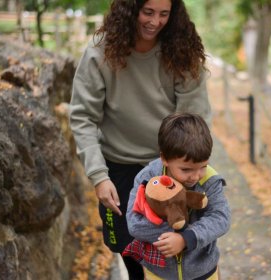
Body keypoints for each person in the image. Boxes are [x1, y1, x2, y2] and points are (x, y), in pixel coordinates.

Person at [69, 0, 211, 278]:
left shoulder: (181, 51)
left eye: (163, 14)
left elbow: (194, 120)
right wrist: (99, 176)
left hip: (169, 170)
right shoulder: (101, 51)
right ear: (130, 10)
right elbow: (83, 117)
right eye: (147, 12)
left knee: (175, 253)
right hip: (118, 169)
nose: (155, 21)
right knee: (128, 249)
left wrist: (188, 172)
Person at [125, 112, 231, 280]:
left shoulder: (209, 179)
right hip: (159, 273)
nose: (196, 176)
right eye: (186, 170)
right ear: (165, 159)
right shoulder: (147, 179)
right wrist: (171, 234)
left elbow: (221, 218)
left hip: (203, 272)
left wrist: (186, 238)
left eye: (203, 166)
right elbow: (134, 223)